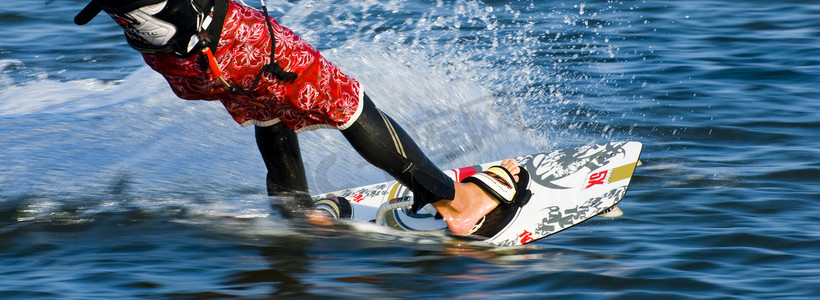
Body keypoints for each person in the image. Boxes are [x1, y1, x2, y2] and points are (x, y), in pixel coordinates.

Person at [74, 0, 531, 236]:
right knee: (348, 103)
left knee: (265, 108)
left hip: (182, 66)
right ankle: (456, 203)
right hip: (231, 43)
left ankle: (297, 216)